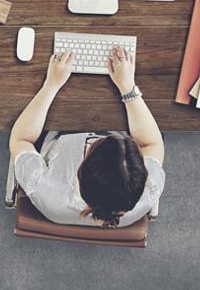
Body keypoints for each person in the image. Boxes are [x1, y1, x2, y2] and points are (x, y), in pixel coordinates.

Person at [9, 46, 165, 228]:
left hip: (62, 135)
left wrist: (51, 85)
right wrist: (128, 88)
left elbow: (20, 139)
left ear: (80, 171)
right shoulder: (149, 191)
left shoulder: (44, 189)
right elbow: (151, 143)